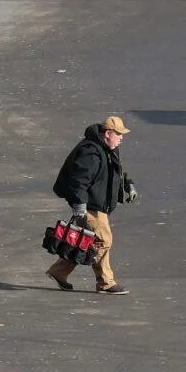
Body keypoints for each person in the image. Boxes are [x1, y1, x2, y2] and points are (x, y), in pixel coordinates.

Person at [48, 115, 137, 295]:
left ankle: (58, 272)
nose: (122, 138)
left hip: (99, 202)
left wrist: (128, 185)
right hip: (90, 205)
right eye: (119, 134)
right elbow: (79, 181)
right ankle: (105, 282)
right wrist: (79, 206)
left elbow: (114, 171)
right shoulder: (91, 152)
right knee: (104, 240)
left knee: (84, 241)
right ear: (108, 133)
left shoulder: (109, 148)